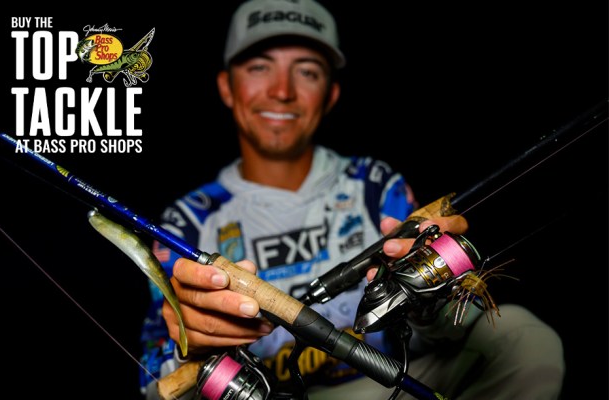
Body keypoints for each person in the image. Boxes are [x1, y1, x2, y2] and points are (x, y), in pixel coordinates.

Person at [140, 0, 565, 399]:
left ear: (330, 94)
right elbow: (151, 378)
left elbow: (456, 327)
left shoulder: (375, 186)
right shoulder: (187, 221)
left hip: (385, 388)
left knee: (523, 339)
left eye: (307, 71)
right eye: (259, 67)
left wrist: (430, 296)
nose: (282, 90)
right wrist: (189, 343)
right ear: (226, 87)